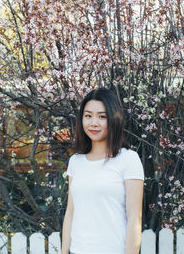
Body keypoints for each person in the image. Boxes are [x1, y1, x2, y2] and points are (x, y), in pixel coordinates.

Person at [61, 88, 144, 254]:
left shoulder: (128, 159)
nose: (93, 123)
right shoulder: (76, 162)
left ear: (113, 119)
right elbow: (70, 213)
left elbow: (135, 218)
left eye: (102, 116)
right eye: (88, 116)